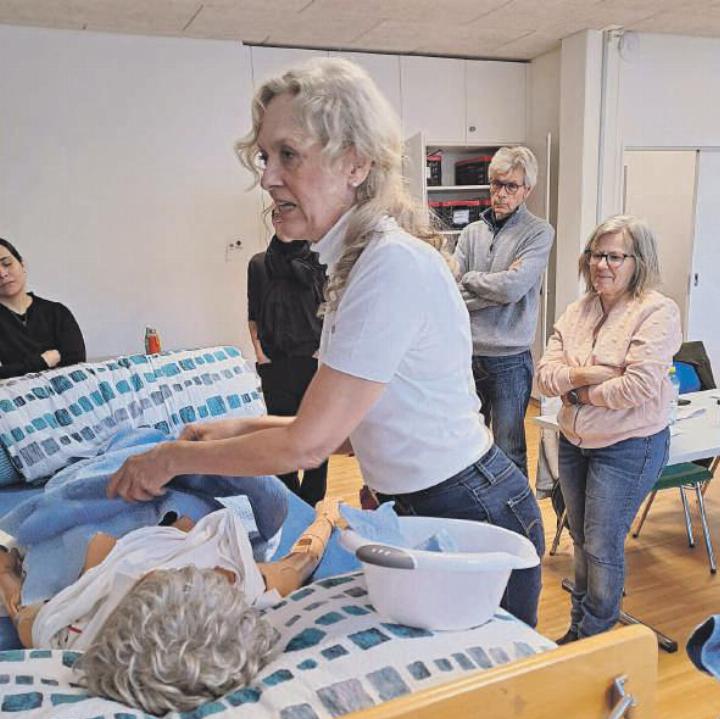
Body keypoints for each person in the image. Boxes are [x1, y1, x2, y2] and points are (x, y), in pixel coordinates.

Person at [106, 57, 544, 628]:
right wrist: (237, 428)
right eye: (265, 157)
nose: (268, 177)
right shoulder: (356, 266)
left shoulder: (389, 267)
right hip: (429, 502)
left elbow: (308, 445)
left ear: (355, 163)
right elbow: (340, 433)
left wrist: (172, 458)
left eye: (288, 154)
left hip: (470, 510)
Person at [0, 499, 339, 714]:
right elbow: (303, 559)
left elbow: (18, 605)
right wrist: (327, 515)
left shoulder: (65, 630)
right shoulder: (242, 584)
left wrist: (6, 570)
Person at [536, 215, 682, 642]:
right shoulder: (577, 311)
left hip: (628, 446)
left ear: (639, 262)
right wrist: (592, 374)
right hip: (574, 441)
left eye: (615, 257)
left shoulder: (656, 311)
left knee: (601, 545)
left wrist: (577, 390)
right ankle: (580, 627)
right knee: (581, 538)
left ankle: (595, 638)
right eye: (596, 254)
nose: (602, 264)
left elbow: (637, 386)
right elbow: (544, 376)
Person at [454, 147, 554, 476]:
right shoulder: (471, 233)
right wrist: (496, 288)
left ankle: (513, 510)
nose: (501, 193)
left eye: (511, 186)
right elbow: (451, 292)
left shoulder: (538, 233)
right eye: (496, 184)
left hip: (510, 360)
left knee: (509, 449)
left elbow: (513, 289)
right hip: (467, 355)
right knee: (467, 447)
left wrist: (471, 279)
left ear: (527, 190)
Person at [248, 211, 328, 505]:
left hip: (313, 360)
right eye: (276, 215)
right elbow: (253, 314)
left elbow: (330, 307)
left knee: (316, 433)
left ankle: (313, 499)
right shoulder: (258, 264)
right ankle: (291, 501)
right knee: (280, 434)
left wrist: (323, 352)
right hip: (275, 362)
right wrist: (260, 354)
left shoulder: (319, 260)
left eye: (287, 214)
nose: (281, 220)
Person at [0, 237, 86, 378]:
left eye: (7, 263)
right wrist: (42, 361)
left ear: (22, 264)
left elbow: (77, 363)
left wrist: (16, 368)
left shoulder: (57, 313)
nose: (2, 274)